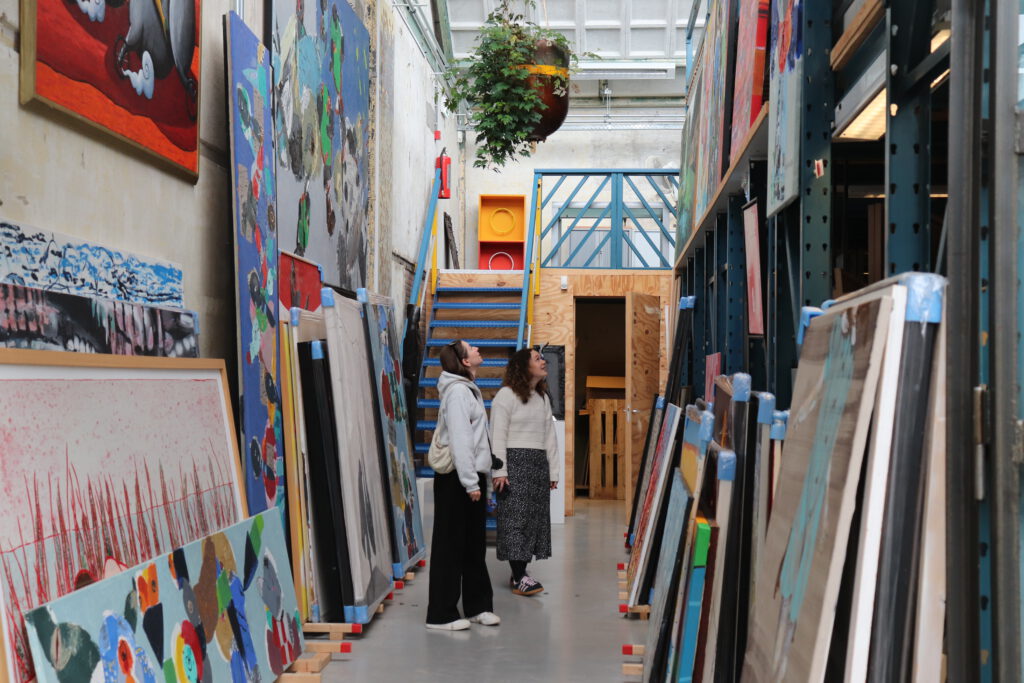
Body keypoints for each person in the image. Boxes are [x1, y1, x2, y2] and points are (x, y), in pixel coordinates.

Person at [425, 339, 501, 630]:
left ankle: (477, 606)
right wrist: (471, 484)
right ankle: (440, 614)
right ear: (464, 361)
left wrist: (483, 480)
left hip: (471, 477)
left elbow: (479, 440)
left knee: (473, 545)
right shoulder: (457, 392)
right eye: (473, 348)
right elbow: (460, 441)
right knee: (450, 546)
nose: (479, 350)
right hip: (457, 479)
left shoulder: (468, 389)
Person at [491, 347, 559, 597]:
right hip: (514, 463)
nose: (543, 362)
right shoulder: (505, 396)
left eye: (542, 358)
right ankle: (520, 576)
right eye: (537, 359)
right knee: (514, 520)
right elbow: (497, 434)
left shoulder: (542, 398)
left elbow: (549, 437)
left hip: (537, 464)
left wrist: (553, 472)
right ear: (523, 366)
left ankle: (519, 572)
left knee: (532, 520)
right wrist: (499, 471)